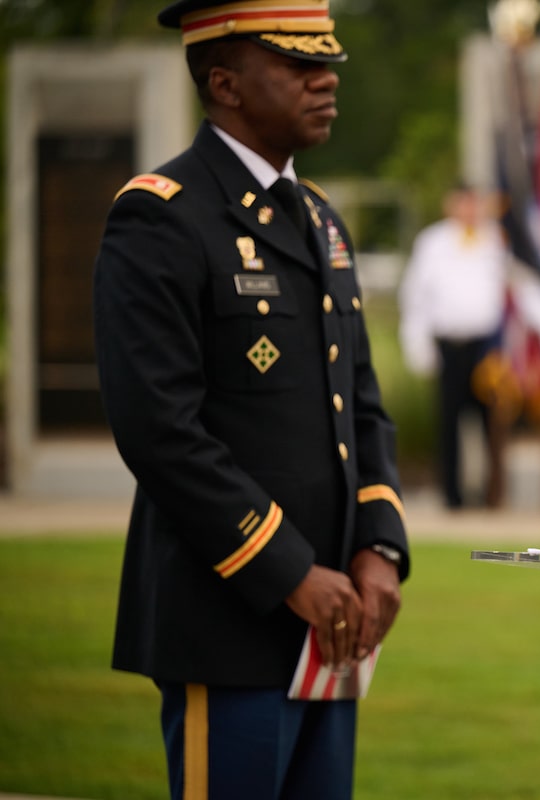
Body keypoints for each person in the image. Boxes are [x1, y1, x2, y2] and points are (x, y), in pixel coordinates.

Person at [92, 3, 410, 798]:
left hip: (332, 625)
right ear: (225, 83)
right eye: (298, 66)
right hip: (228, 620)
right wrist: (290, 570)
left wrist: (380, 547)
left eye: (327, 62)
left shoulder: (321, 222)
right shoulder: (162, 215)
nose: (325, 79)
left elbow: (360, 408)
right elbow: (160, 431)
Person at [399, 184, 509, 508]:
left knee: (490, 423)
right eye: (463, 204)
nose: (469, 211)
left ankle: (492, 496)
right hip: (450, 344)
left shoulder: (494, 240)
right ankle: (453, 497)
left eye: (474, 205)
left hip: (486, 347)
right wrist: (418, 344)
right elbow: (416, 295)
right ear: (451, 206)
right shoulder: (433, 243)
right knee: (450, 422)